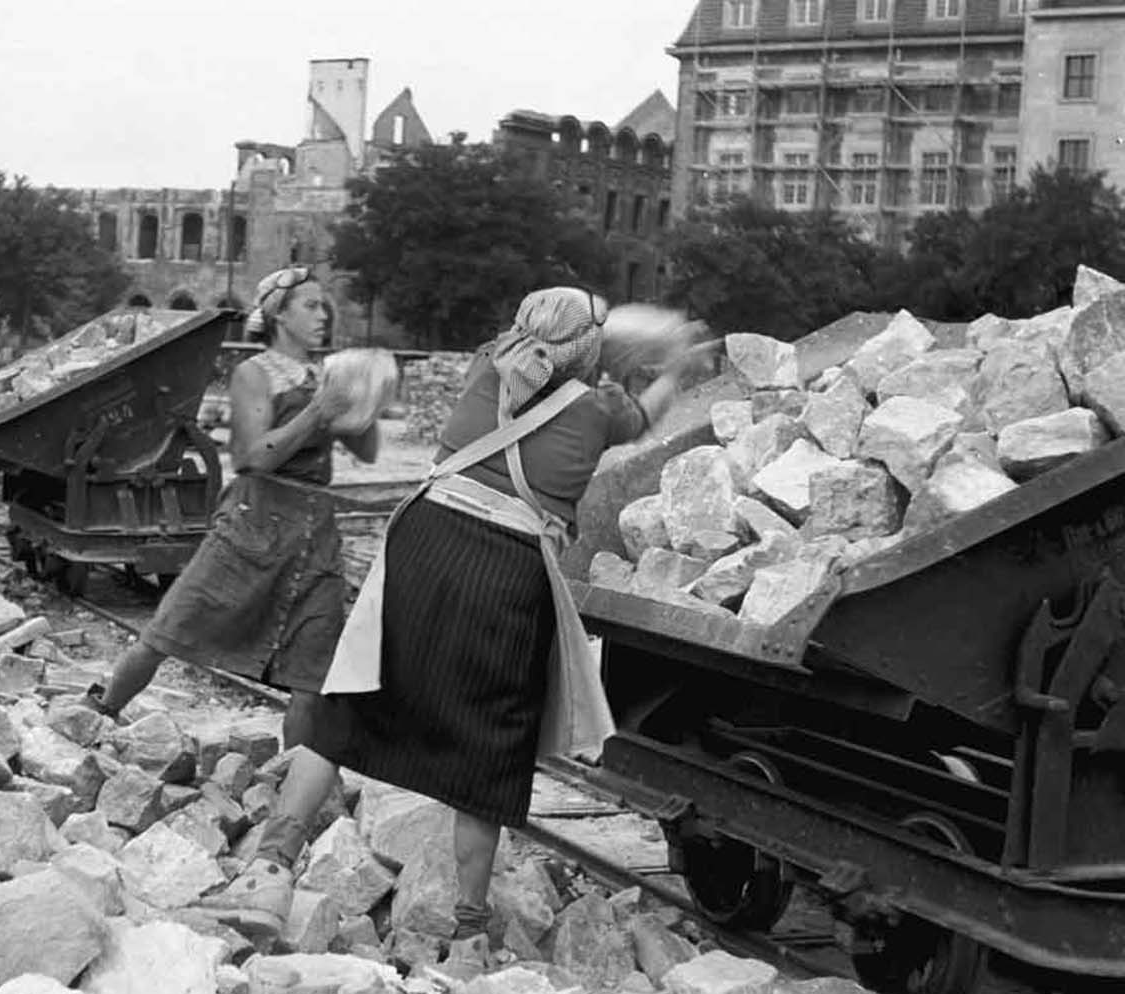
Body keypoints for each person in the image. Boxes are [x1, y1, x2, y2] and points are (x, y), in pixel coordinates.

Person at [201, 287, 705, 943]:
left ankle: (269, 874)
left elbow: (541, 346)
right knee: (487, 747)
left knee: (346, 707)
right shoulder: (599, 411)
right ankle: (467, 935)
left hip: (425, 542)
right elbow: (645, 411)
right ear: (590, 350)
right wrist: (677, 362)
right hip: (509, 567)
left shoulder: (488, 363)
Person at [84, 266, 375, 740]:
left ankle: (288, 781)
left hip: (313, 534)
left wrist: (365, 401)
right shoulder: (254, 373)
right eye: (310, 305)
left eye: (325, 305)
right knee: (171, 627)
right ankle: (98, 712)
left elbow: (368, 452)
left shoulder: (326, 375)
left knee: (311, 671)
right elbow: (250, 457)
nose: (324, 314)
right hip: (253, 522)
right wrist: (317, 411)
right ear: (278, 315)